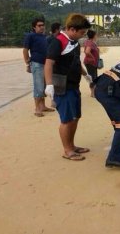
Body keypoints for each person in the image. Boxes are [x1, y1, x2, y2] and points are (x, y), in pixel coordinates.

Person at [44, 13, 92, 161]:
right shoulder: (58, 42)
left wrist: (85, 74)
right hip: (62, 86)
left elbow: (76, 62)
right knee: (66, 119)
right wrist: (49, 84)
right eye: (81, 32)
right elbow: (48, 63)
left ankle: (72, 145)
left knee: (75, 117)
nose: (83, 35)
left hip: (74, 85)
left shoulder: (75, 43)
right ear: (72, 29)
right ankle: (67, 150)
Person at [23, 17, 55, 117]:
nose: (42, 27)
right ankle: (37, 108)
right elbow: (25, 50)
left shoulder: (44, 36)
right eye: (39, 25)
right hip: (36, 64)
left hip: (45, 64)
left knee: (45, 86)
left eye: (43, 25)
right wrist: (27, 63)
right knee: (39, 87)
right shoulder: (30, 36)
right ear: (34, 27)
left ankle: (43, 106)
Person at [83, 30, 100, 97]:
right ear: (93, 36)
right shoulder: (90, 42)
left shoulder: (91, 42)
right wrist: (93, 58)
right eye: (96, 35)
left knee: (94, 77)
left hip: (92, 63)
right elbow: (87, 52)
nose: (96, 36)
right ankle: (93, 93)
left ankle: (94, 92)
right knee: (92, 77)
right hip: (90, 63)